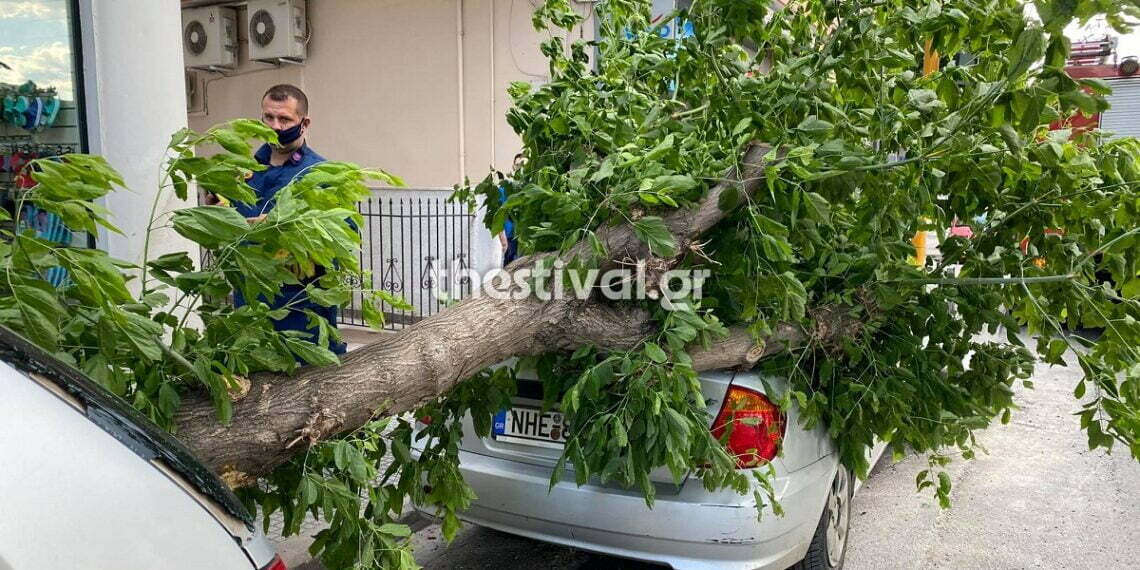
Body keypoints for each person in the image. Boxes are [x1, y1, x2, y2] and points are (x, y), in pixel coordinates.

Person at [209, 84, 346, 355]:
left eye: (284, 119)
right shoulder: (246, 172)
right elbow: (228, 233)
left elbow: (342, 237)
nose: (275, 126)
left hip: (301, 316)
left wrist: (281, 227)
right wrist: (215, 214)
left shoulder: (322, 175)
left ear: (304, 123)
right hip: (251, 316)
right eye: (268, 118)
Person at [499, 153, 524, 267]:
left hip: (526, 236)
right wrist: (502, 237)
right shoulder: (505, 188)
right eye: (518, 165)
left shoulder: (530, 187)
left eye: (523, 165)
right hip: (511, 237)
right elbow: (499, 213)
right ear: (513, 166)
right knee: (511, 271)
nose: (520, 168)